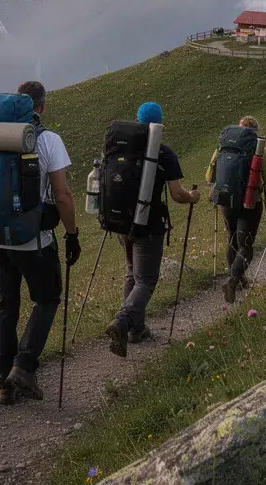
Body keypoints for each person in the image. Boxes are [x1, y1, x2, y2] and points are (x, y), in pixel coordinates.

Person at [0, 80, 81, 405]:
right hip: (33, 239)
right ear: (42, 106)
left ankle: (3, 384)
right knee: (48, 299)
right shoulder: (47, 140)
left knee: (6, 304)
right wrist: (72, 234)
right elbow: (62, 195)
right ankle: (23, 367)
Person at [105, 101, 202, 358]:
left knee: (131, 273)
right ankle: (123, 322)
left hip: (121, 222)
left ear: (137, 121)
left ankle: (137, 330)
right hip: (149, 224)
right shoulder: (163, 152)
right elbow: (177, 194)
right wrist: (194, 196)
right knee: (145, 279)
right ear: (160, 123)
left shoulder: (121, 147)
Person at [206, 115, 266, 303]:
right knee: (246, 245)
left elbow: (209, 177)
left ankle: (237, 278)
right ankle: (233, 280)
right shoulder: (260, 152)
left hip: (226, 201)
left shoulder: (221, 148)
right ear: (255, 132)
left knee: (232, 238)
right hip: (250, 202)